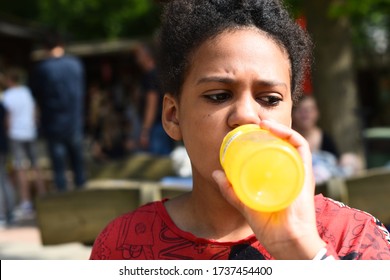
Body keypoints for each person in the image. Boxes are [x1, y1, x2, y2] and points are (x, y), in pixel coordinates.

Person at [90, 0, 390, 260]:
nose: (246, 115)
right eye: (219, 95)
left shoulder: (354, 237)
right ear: (173, 116)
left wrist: (300, 250)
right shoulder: (123, 245)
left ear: (290, 117)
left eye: (269, 99)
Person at [30, 33, 86, 192]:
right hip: (75, 121)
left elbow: (35, 95)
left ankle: (62, 207)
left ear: (45, 48)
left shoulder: (42, 69)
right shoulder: (76, 64)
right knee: (78, 167)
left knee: (59, 170)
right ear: (61, 44)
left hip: (53, 124)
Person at [2, 67, 45, 220]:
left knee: (20, 168)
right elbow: (35, 110)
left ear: (9, 80)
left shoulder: (7, 96)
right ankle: (43, 197)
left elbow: (7, 118)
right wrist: (33, 124)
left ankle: (26, 202)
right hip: (30, 132)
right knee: (35, 166)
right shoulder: (26, 92)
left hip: (16, 134)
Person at [292, 95, 363, 183]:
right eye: (301, 110)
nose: (306, 114)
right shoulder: (288, 138)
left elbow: (336, 163)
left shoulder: (325, 138)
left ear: (317, 113)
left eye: (310, 109)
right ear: (293, 113)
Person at [133, 43, 174, 155]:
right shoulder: (160, 73)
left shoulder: (151, 76)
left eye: (139, 55)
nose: (137, 59)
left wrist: (145, 130)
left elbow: (152, 103)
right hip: (164, 124)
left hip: (156, 126)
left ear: (146, 55)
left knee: (157, 162)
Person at [0, 100, 16, 227]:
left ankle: (3, 215)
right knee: (4, 180)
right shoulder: (2, 105)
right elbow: (8, 125)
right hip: (3, 146)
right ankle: (10, 214)